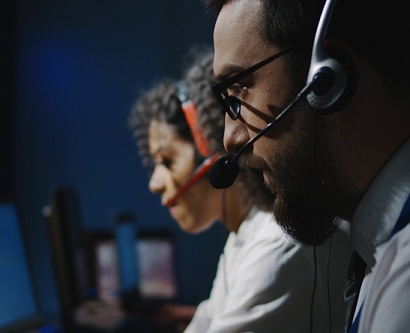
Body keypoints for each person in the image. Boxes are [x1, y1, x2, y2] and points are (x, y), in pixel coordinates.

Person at [205, 0, 410, 332]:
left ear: (330, 77)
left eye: (240, 89)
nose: (230, 138)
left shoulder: (404, 279)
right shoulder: (382, 253)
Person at [129, 48, 351, 332]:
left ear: (212, 151)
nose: (154, 183)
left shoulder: (277, 244)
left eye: (167, 160)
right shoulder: (242, 238)